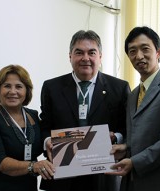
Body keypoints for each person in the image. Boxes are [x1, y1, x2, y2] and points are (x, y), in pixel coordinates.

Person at [39, 30, 131, 191]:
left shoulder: (119, 88)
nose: (85, 58)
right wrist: (48, 141)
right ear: (70, 56)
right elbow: (44, 125)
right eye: (79, 52)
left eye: (92, 53)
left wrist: (116, 137)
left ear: (100, 57)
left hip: (103, 177)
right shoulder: (51, 87)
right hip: (62, 176)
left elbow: (129, 127)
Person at [108, 26, 160, 191]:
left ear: (158, 52)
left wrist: (134, 162)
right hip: (132, 182)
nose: (139, 56)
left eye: (145, 49)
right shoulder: (133, 94)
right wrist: (126, 148)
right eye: (132, 51)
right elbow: (138, 137)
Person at [0, 65, 54, 191]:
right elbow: (0, 162)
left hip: (28, 187)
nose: (13, 91)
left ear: (26, 91)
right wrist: (33, 166)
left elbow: (44, 141)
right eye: (7, 86)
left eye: (19, 86)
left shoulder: (32, 115)